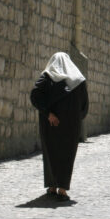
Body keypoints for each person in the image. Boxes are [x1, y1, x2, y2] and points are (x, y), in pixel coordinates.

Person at [30, 52, 89, 202]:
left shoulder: (48, 77)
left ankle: (51, 186)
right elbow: (84, 106)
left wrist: (48, 113)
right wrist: (73, 119)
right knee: (67, 155)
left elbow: (35, 96)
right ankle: (62, 188)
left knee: (51, 153)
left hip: (50, 123)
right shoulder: (79, 80)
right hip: (71, 125)